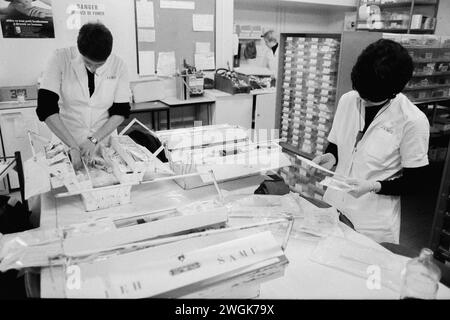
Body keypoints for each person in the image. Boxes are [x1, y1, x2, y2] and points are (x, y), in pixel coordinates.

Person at [312, 39, 430, 244]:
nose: (362, 99)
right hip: (332, 206)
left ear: (393, 91)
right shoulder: (348, 100)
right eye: (360, 92)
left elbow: (416, 182)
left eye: (369, 96)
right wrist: (331, 156)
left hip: (371, 221)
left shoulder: (413, 121)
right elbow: (338, 144)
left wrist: (374, 186)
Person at [36, 22, 131, 169]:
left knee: (107, 184)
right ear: (80, 51)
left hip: (102, 141)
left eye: (99, 64)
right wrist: (73, 146)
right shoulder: (60, 59)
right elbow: (46, 109)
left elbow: (121, 110)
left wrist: (94, 140)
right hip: (66, 138)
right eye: (88, 63)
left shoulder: (119, 65)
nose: (93, 68)